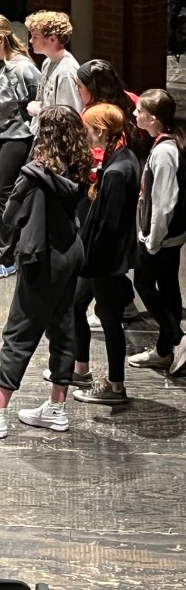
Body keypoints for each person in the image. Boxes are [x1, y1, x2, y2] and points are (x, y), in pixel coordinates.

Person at [0, 106, 90, 439]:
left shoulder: (33, 174)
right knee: (63, 327)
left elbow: (10, 216)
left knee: (19, 332)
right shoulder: (79, 167)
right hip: (71, 251)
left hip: (42, 258)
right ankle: (56, 408)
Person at [70, 105, 139, 405]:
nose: (84, 134)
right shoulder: (122, 158)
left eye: (87, 129)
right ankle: (80, 369)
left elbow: (109, 227)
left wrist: (89, 261)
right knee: (76, 306)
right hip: (100, 260)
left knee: (110, 321)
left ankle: (116, 386)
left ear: (100, 131)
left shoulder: (116, 171)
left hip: (104, 263)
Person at [0, 15, 41, 282]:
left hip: (16, 138)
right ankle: (6, 248)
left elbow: (38, 97)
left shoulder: (23, 68)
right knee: (6, 194)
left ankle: (5, 260)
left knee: (2, 193)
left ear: (0, 38)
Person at [128, 89, 186, 375]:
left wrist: (152, 239)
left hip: (160, 238)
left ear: (152, 118)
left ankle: (178, 338)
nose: (134, 114)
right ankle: (164, 351)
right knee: (169, 287)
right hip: (169, 236)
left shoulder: (165, 151)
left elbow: (163, 202)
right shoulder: (167, 143)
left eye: (139, 111)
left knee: (144, 284)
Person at [25, 11, 83, 124]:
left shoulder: (66, 72)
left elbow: (68, 117)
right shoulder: (47, 63)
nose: (31, 41)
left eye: (35, 36)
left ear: (52, 38)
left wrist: (38, 111)